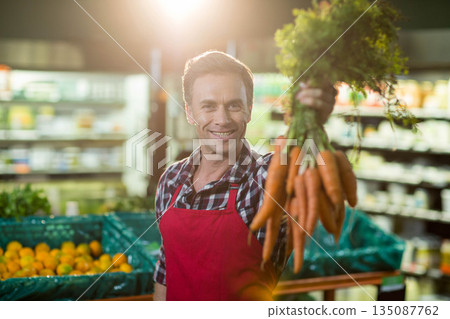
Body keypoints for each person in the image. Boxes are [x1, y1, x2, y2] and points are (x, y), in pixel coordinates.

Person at [153, 51, 336, 301]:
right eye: (208, 106)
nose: (222, 119)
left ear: (249, 110)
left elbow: (308, 166)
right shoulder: (170, 180)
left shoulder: (262, 180)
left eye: (234, 106)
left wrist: (312, 120)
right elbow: (165, 271)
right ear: (190, 112)